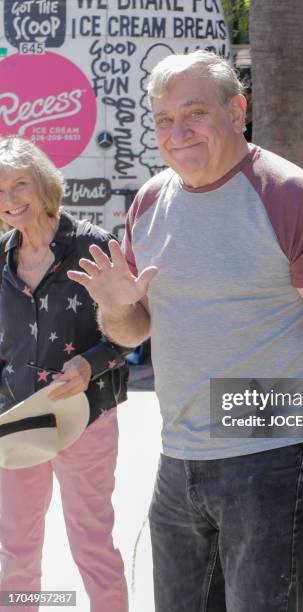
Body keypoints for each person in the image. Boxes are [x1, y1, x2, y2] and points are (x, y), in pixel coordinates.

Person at [69, 51, 303, 611]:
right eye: (163, 119)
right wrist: (116, 309)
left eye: (194, 113)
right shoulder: (149, 202)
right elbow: (136, 330)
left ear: (238, 111)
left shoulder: (291, 198)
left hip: (275, 460)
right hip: (178, 458)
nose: (177, 131)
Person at [0, 137, 129, 612]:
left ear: (45, 185)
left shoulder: (91, 246)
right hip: (17, 421)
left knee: (92, 546)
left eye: (20, 185)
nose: (11, 201)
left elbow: (132, 333)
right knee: (16, 552)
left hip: (86, 418)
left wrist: (90, 363)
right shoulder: (0, 259)